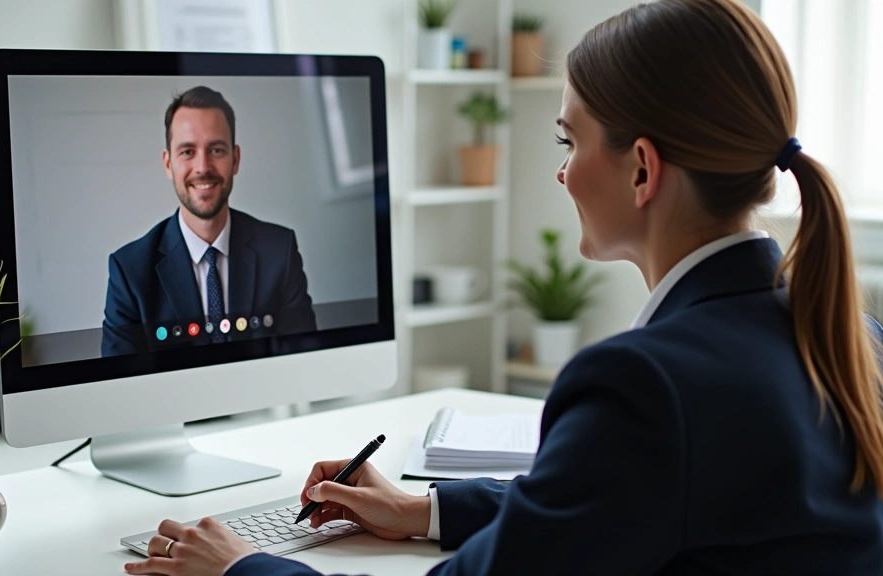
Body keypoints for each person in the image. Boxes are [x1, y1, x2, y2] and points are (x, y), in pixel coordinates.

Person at [124, 1, 883, 574]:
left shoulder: (643, 386)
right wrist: (425, 509)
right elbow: (624, 498)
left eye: (569, 140)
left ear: (643, 169)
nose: (560, 171)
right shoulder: (852, 341)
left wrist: (241, 566)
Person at [102, 86, 317, 357]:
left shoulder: (280, 250)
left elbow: (305, 360)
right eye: (187, 151)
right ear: (168, 164)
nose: (203, 167)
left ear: (235, 159)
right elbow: (122, 386)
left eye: (216, 150)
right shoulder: (129, 271)